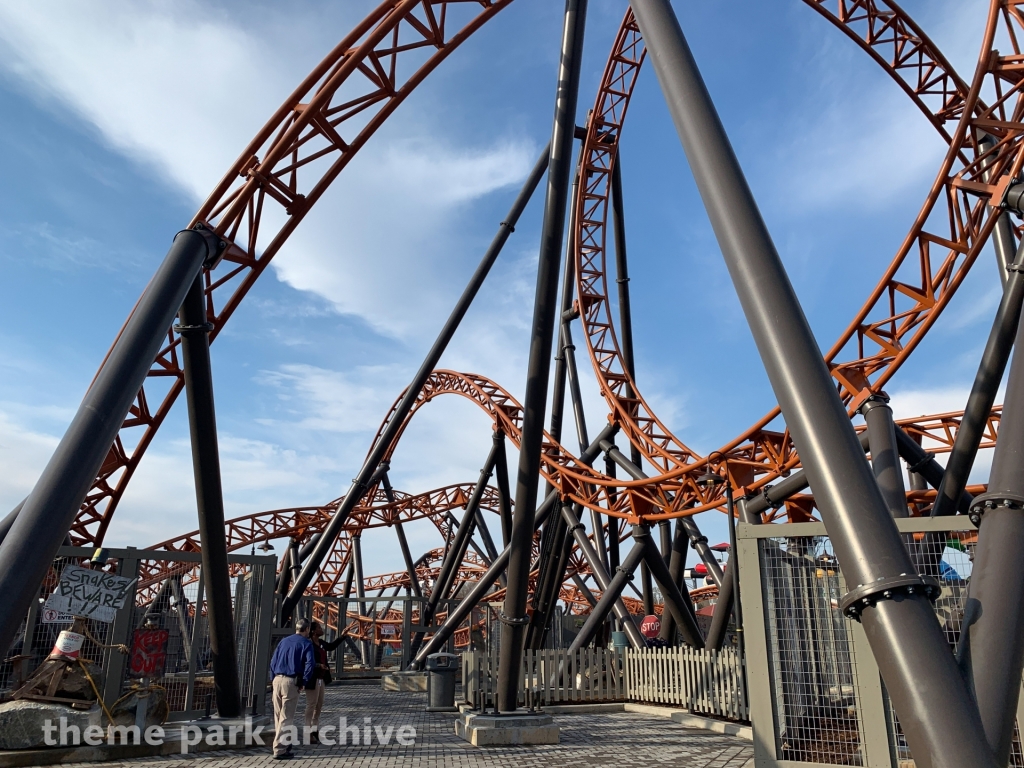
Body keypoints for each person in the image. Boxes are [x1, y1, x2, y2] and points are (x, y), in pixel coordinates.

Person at [269, 618, 315, 759]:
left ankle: (285, 743)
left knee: (278, 715)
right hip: (291, 681)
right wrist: (304, 682)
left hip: (277, 679)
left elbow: (273, 661)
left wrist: (273, 679)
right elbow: (310, 664)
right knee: (287, 716)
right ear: (306, 629)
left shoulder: (284, 641)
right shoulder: (306, 643)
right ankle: (279, 749)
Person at [303, 622, 344, 742]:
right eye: (319, 628)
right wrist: (318, 666)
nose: (322, 630)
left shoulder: (321, 643)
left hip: (321, 679)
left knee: (319, 705)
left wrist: (342, 636)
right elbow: (306, 662)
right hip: (312, 678)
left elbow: (331, 646)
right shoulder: (308, 644)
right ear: (313, 631)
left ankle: (314, 730)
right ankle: (307, 732)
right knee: (311, 704)